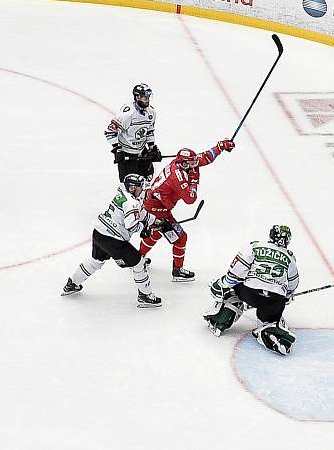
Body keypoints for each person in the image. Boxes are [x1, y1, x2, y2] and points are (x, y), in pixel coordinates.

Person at [139, 139, 235, 282]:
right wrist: (194, 180)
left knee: (157, 233)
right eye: (191, 163)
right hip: (157, 209)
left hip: (154, 204)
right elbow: (190, 199)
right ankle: (177, 271)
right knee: (180, 238)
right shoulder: (178, 177)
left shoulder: (183, 164)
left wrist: (220, 147)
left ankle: (137, 259)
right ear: (184, 163)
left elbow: (204, 158)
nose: (195, 165)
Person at [63, 174, 163, 308]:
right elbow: (131, 225)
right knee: (139, 263)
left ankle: (72, 283)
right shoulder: (132, 203)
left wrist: (156, 221)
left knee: (95, 261)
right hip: (113, 240)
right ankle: (145, 295)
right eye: (140, 187)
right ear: (132, 188)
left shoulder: (123, 192)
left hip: (99, 233)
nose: (142, 189)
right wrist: (145, 229)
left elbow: (140, 213)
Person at [204, 225, 299, 355]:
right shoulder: (290, 257)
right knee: (269, 318)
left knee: (233, 294)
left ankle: (220, 320)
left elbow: (237, 270)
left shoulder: (255, 246)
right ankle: (269, 330)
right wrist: (287, 296)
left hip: (250, 292)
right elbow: (294, 282)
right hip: (275, 300)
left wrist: (223, 283)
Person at [105, 83, 162, 182]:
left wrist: (152, 147)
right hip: (127, 154)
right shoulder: (127, 115)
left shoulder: (151, 112)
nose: (147, 99)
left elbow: (149, 131)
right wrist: (117, 150)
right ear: (137, 97)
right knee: (130, 187)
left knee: (147, 181)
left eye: (148, 96)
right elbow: (110, 132)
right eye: (144, 97)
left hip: (142, 152)